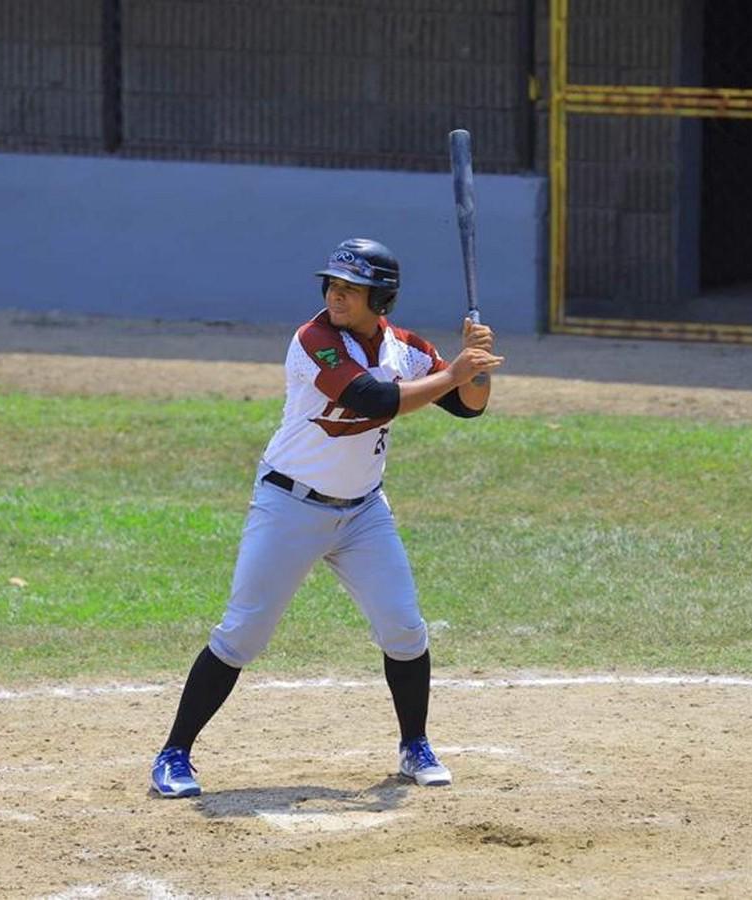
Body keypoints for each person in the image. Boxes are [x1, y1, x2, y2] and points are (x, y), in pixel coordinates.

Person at [150, 237, 503, 798]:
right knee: (242, 633)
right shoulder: (314, 340)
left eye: (350, 289)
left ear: (380, 297)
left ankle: (415, 746)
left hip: (363, 512)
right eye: (333, 286)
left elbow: (469, 406)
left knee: (405, 629)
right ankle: (174, 754)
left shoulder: (408, 349)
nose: (335, 297)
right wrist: (456, 369)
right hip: (290, 505)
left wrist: (475, 366)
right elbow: (373, 401)